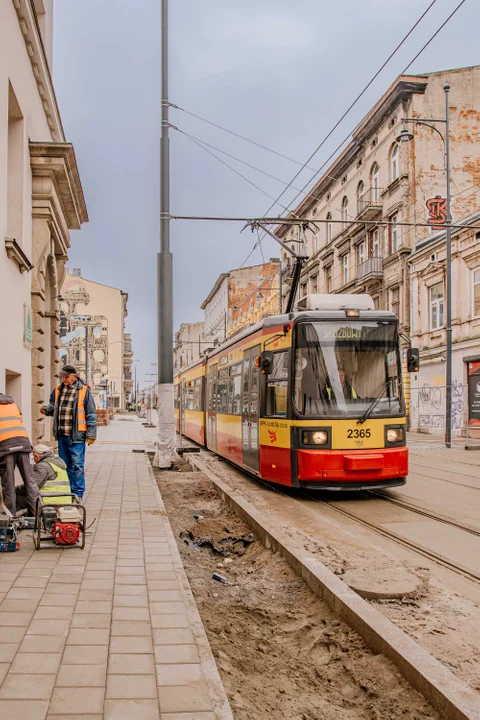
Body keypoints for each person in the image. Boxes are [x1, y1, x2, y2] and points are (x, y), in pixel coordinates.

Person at [41, 365, 96, 499]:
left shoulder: (84, 391)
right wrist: (46, 410)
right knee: (65, 465)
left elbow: (91, 414)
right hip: (62, 435)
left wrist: (91, 434)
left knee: (77, 466)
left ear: (74, 376)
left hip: (76, 436)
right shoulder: (57, 390)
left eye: (66, 376)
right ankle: (68, 491)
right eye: (62, 376)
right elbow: (54, 408)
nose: (64, 379)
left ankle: (77, 494)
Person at [0, 393, 39, 516]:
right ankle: (38, 516)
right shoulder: (13, 404)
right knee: (30, 481)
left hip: (6, 447)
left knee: (9, 485)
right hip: (23, 443)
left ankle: (10, 519)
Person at [15, 444, 72, 512]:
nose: (33, 459)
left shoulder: (43, 467)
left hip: (49, 500)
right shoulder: (57, 462)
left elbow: (31, 487)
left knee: (16, 500)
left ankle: (16, 518)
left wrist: (15, 489)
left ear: (36, 456)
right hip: (64, 500)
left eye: (33, 456)